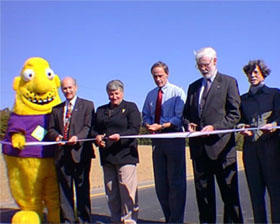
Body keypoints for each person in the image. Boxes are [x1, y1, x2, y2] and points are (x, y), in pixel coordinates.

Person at [182, 47, 243, 223]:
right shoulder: (193, 87)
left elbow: (234, 114)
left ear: (215, 61)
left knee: (230, 198)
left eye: (205, 64)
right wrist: (188, 125)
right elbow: (186, 114)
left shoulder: (229, 82)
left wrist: (214, 127)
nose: (202, 68)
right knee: (204, 199)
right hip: (200, 152)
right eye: (199, 66)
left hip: (223, 150)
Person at [239, 60, 280, 223]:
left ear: (263, 74)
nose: (252, 76)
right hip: (251, 150)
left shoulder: (275, 93)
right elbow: (240, 120)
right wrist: (242, 127)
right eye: (249, 73)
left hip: (271, 149)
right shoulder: (243, 99)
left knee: (276, 195)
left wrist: (273, 126)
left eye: (256, 73)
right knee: (256, 195)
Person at [142, 61, 186, 223]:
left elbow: (179, 117)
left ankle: (176, 220)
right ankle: (169, 218)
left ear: (167, 74)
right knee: (161, 185)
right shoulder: (150, 95)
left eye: (160, 76)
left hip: (173, 138)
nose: (158, 79)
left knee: (176, 183)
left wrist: (162, 125)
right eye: (155, 76)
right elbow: (145, 113)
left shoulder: (177, 92)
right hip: (157, 141)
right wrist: (147, 124)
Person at [91, 80, 140, 224]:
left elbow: (134, 129)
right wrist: (97, 136)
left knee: (127, 193)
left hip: (126, 156)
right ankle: (115, 220)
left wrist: (121, 136)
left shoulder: (130, 108)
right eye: (111, 94)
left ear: (122, 93)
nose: (114, 97)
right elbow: (93, 129)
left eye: (116, 93)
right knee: (111, 194)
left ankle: (129, 220)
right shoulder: (101, 110)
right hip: (107, 157)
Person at [48, 77, 95, 223]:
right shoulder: (56, 109)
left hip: (80, 154)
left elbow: (88, 127)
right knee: (64, 191)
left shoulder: (87, 105)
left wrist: (77, 138)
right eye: (64, 88)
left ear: (76, 87)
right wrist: (56, 137)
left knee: (82, 190)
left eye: (70, 88)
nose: (67, 91)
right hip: (62, 156)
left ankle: (84, 220)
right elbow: (51, 129)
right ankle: (67, 220)